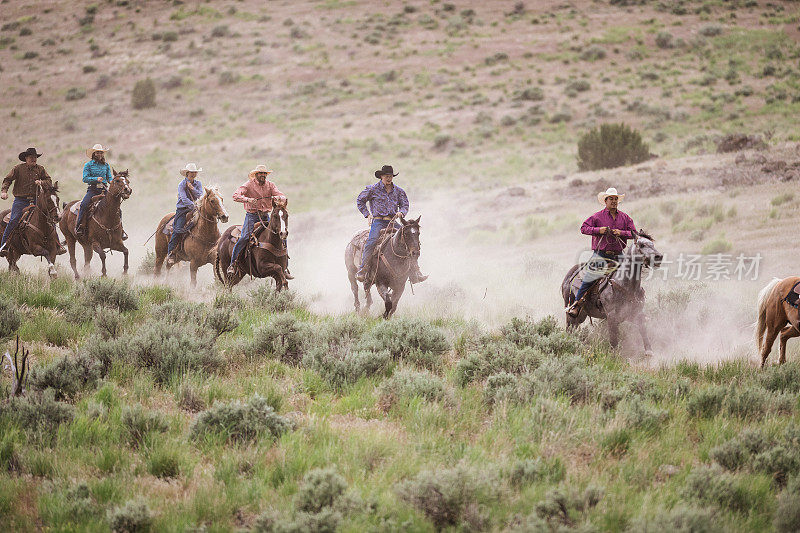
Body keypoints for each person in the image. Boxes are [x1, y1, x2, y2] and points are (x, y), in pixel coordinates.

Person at [566, 187, 637, 317]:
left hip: (619, 254)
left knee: (632, 275)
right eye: (611, 199)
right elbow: (584, 228)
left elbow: (634, 234)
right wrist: (599, 230)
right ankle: (577, 304)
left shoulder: (625, 218)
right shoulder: (597, 216)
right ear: (605, 200)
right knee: (589, 277)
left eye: (616, 199)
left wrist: (620, 233)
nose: (614, 201)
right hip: (601, 254)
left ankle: (637, 304)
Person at [355, 165, 427, 283]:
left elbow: (405, 205)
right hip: (378, 221)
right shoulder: (372, 189)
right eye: (386, 176)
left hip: (392, 221)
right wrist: (367, 214)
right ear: (381, 176)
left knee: (409, 239)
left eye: (390, 176)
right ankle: (363, 269)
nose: (389, 178)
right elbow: (360, 200)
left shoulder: (399, 191)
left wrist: (401, 212)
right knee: (372, 241)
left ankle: (415, 272)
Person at [227, 164, 292, 278]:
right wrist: (248, 199)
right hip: (252, 216)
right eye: (260, 173)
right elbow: (235, 195)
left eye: (264, 174)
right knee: (244, 237)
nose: (263, 175)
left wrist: (279, 198)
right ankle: (233, 264)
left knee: (282, 236)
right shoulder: (248, 185)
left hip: (267, 216)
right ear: (256, 175)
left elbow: (281, 195)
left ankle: (285, 267)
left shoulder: (270, 185)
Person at [0, 147, 54, 256]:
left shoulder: (40, 169)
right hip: (20, 201)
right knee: (14, 220)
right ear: (26, 158)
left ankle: (57, 245)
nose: (33, 159)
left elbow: (49, 181)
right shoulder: (18, 168)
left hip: (36, 201)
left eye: (35, 157)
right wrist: (4, 191)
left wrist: (41, 182)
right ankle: (4, 245)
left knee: (49, 217)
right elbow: (7, 180)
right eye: (31, 157)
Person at [77, 143, 125, 239]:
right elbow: (85, 178)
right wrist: (96, 179)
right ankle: (79, 227)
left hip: (104, 190)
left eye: (101, 153)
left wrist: (113, 182)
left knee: (118, 209)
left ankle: (121, 230)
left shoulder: (106, 165)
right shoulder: (88, 165)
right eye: (97, 153)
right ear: (94, 154)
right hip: (93, 190)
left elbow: (109, 178)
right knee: (84, 205)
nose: (99, 154)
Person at [166, 163, 204, 267]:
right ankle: (170, 254)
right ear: (187, 173)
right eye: (191, 172)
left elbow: (200, 195)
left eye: (194, 172)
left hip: (196, 209)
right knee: (178, 229)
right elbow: (183, 198)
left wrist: (192, 189)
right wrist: (193, 206)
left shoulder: (198, 184)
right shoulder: (181, 185)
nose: (193, 174)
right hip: (183, 209)